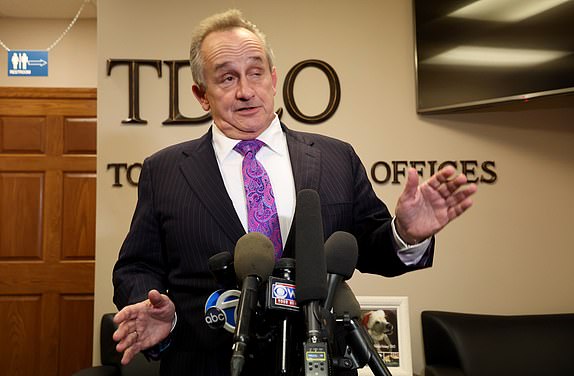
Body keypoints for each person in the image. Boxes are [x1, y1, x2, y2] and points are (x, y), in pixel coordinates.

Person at [112, 9, 477, 376]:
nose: (245, 90)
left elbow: (370, 246)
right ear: (201, 95)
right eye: (226, 78)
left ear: (273, 79)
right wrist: (154, 308)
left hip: (318, 363)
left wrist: (406, 234)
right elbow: (137, 265)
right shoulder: (165, 170)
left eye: (256, 72)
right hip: (207, 363)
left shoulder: (337, 157)